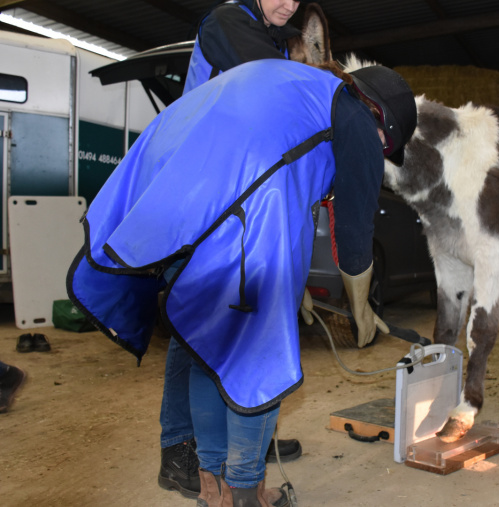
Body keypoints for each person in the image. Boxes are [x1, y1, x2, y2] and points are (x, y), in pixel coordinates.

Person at [67, 58, 417, 506]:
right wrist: (362, 309)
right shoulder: (355, 120)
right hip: (233, 230)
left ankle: (213, 488)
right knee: (259, 359)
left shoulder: (296, 83)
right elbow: (353, 235)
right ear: (382, 121)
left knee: (207, 352)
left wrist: (297, 287)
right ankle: (246, 490)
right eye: (387, 147)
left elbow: (274, 179)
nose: (381, 153)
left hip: (175, 211)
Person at [159, 0, 311, 498]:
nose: (288, 3)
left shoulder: (266, 36)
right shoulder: (229, 22)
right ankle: (200, 464)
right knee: (205, 339)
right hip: (205, 203)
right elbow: (270, 89)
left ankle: (223, 469)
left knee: (211, 340)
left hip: (226, 203)